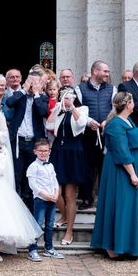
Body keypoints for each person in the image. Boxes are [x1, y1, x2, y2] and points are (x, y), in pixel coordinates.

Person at [91, 92, 138, 260]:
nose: (134, 103)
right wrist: (133, 174)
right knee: (122, 204)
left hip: (135, 164)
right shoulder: (115, 124)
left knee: (133, 206)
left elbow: (131, 141)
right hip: (121, 170)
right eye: (132, 101)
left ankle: (131, 244)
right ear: (127, 104)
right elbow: (121, 151)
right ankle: (114, 245)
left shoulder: (128, 120)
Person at [47, 87, 89, 245]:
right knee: (55, 190)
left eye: (69, 96)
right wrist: (55, 109)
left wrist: (72, 108)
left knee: (70, 194)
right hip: (58, 151)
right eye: (63, 96)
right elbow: (49, 126)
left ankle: (69, 231)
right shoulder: (59, 110)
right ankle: (64, 215)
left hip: (73, 151)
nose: (65, 99)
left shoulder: (82, 108)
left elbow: (82, 123)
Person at [6, 71, 49, 210]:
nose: (33, 85)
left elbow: (43, 111)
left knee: (31, 177)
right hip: (18, 141)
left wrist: (36, 93)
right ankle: (15, 208)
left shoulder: (42, 97)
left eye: (36, 82)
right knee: (17, 175)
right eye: (31, 81)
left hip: (34, 143)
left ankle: (30, 209)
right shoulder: (20, 96)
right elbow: (9, 102)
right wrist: (24, 90)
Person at [78, 60, 115, 208]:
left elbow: (115, 109)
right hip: (87, 134)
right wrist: (88, 121)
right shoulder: (80, 89)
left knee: (105, 167)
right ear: (95, 72)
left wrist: (107, 120)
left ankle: (105, 200)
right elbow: (77, 110)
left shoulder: (112, 89)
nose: (107, 74)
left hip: (106, 134)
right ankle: (87, 198)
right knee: (88, 167)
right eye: (105, 71)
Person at [26, 138, 64, 262]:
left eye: (46, 151)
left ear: (49, 151)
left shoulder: (51, 165)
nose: (43, 153)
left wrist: (56, 194)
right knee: (37, 224)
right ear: (35, 151)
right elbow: (33, 185)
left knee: (49, 224)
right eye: (40, 151)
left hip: (52, 200)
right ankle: (32, 250)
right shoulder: (33, 167)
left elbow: (54, 181)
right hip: (41, 200)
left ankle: (49, 248)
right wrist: (46, 196)